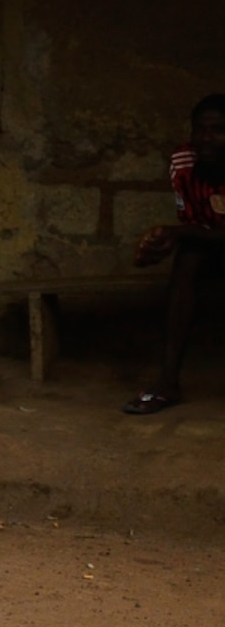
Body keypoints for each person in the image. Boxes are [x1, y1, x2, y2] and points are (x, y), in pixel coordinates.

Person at [125, 92, 225, 415]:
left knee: (187, 244)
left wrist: (176, 233)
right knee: (188, 258)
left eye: (218, 130)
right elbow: (196, 226)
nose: (206, 139)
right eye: (200, 130)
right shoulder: (183, 162)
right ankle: (168, 382)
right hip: (214, 247)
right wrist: (160, 243)